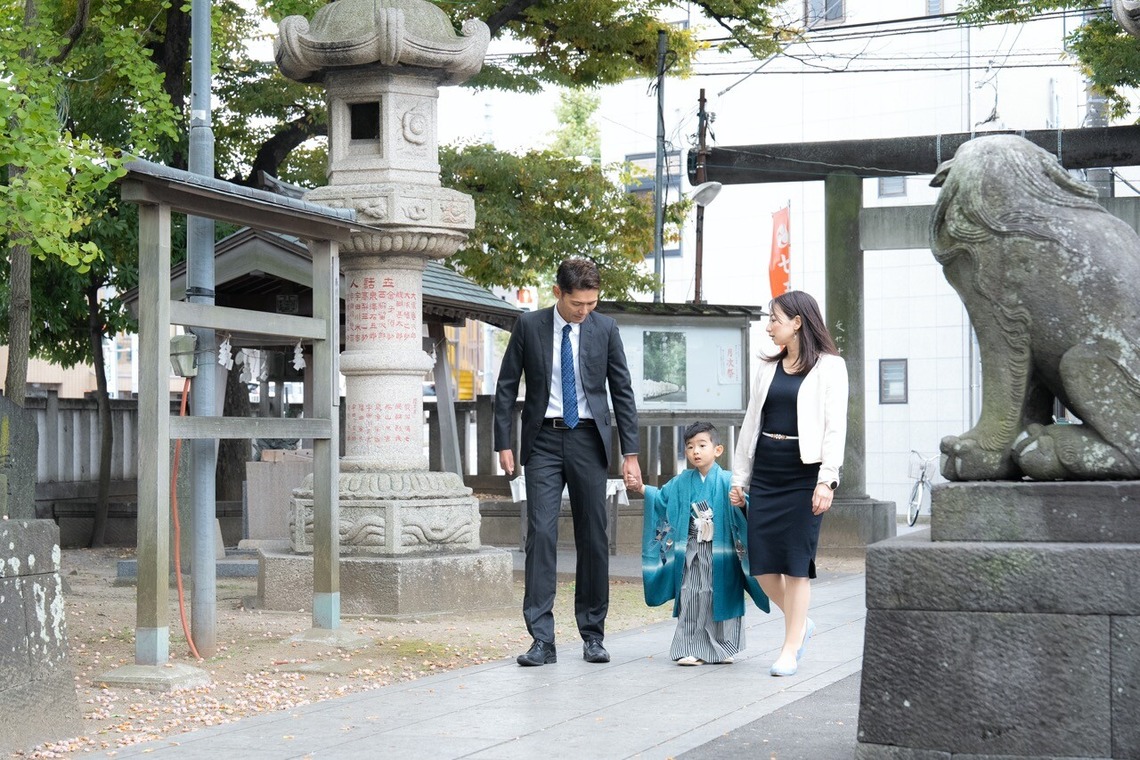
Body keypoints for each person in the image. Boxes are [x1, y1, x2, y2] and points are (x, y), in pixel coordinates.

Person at [494, 258, 642, 667]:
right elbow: (506, 387)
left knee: (594, 534)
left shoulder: (605, 329)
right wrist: (503, 443)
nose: (585, 311)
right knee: (540, 533)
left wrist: (630, 454)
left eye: (592, 303)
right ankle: (542, 639)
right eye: (578, 304)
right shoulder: (529, 326)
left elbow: (622, 392)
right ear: (558, 293)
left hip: (588, 440)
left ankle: (593, 633)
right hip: (542, 439)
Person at [729, 290, 848, 677]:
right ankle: (801, 623)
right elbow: (751, 425)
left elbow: (835, 428)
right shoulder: (767, 367)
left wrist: (827, 480)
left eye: (775, 319)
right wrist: (740, 478)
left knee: (796, 565)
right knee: (762, 565)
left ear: (797, 322)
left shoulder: (831, 367)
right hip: (766, 471)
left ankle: (790, 647)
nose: (769, 326)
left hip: (804, 475)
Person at [630, 422, 768, 665]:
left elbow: (747, 509)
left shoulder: (727, 480)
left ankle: (724, 647)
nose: (696, 451)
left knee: (720, 594)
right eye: (690, 447)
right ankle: (690, 647)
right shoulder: (682, 481)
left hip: (721, 551)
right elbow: (662, 499)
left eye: (702, 445)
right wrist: (641, 488)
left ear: (717, 450)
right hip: (692, 550)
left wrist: (742, 504)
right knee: (692, 594)